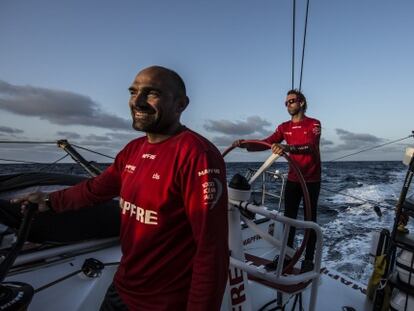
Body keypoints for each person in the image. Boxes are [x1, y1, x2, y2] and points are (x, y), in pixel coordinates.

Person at [13, 66, 229, 310]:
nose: (137, 101)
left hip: (164, 302)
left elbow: (211, 251)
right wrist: (50, 201)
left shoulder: (197, 155)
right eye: (133, 91)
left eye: (152, 93)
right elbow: (95, 189)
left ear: (180, 104)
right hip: (122, 289)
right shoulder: (132, 150)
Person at [233, 89, 321, 272]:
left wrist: (286, 147)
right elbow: (267, 142)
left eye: (292, 101)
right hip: (293, 180)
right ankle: (286, 258)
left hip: (311, 180)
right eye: (286, 102)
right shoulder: (284, 127)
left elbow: (311, 146)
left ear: (302, 102)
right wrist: (246, 144)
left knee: (309, 221)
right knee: (289, 221)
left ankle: (309, 261)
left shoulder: (313, 123)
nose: (288, 105)